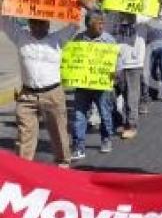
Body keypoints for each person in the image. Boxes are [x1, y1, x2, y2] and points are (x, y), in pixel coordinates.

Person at [0, 14, 79, 167]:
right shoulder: (20, 36)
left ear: (48, 24)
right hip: (27, 95)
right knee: (25, 136)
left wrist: (81, 5)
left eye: (41, 24)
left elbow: (74, 24)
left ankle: (63, 166)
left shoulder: (58, 38)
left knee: (59, 133)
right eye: (34, 23)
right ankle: (23, 170)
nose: (37, 27)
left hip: (52, 95)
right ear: (29, 24)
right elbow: (4, 21)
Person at [71, 11, 117, 160]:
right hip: (82, 86)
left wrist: (114, 73)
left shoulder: (108, 40)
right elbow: (72, 60)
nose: (102, 26)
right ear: (89, 24)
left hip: (102, 86)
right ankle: (78, 145)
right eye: (99, 23)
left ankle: (106, 138)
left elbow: (117, 62)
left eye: (103, 23)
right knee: (79, 115)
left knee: (105, 114)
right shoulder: (78, 40)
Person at [112, 13, 146, 141]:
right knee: (111, 95)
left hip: (134, 63)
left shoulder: (142, 19)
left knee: (131, 96)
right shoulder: (114, 17)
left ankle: (131, 125)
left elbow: (153, 10)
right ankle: (121, 121)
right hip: (117, 63)